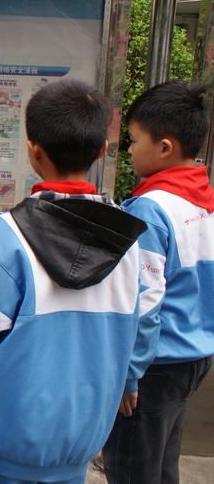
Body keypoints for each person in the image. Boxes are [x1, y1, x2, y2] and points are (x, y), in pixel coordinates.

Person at [0, 79, 147, 484]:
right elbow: (141, 325)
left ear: (33, 151)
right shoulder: (129, 245)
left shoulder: (4, 239)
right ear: (101, 150)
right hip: (79, 445)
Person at [102, 80, 214, 484]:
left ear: (164, 147)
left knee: (132, 468)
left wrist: (129, 373)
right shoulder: (202, 199)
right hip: (194, 357)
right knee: (163, 464)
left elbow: (144, 300)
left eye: (134, 141)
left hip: (154, 366)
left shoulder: (151, 208)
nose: (129, 151)